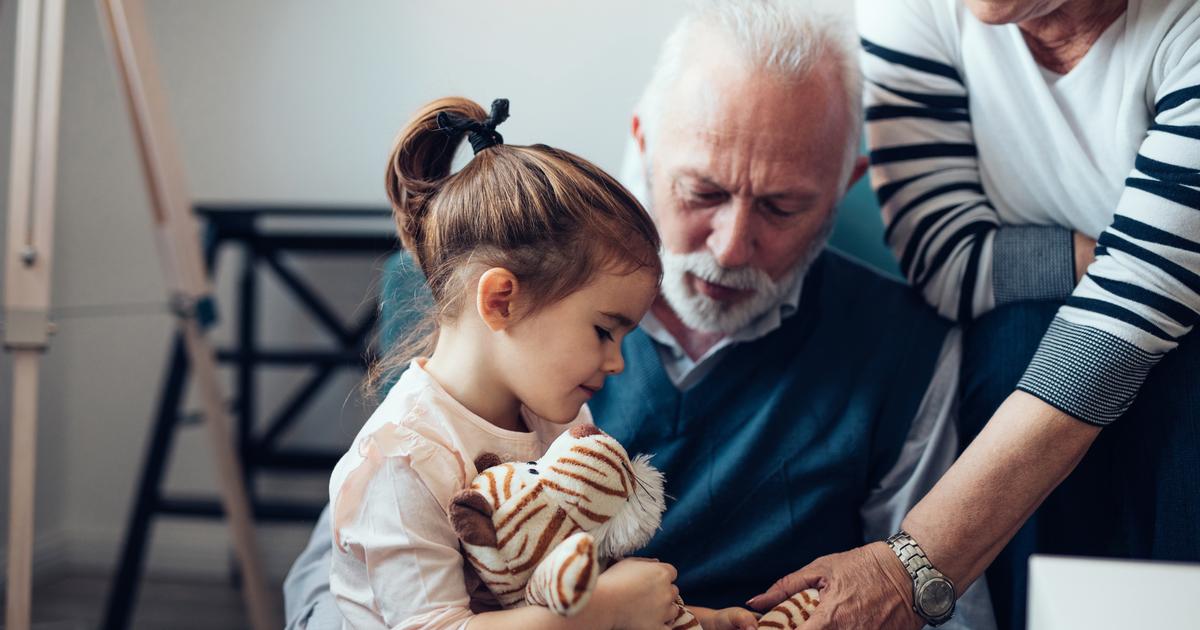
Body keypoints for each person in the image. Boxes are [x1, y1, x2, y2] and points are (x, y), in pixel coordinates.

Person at [286, 2, 997, 628]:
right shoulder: (495, 293)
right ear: (643, 144)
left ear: (844, 186)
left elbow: (937, 601)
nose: (732, 244)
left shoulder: (905, 348)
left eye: (782, 206)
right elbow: (343, 574)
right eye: (703, 192)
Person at [748, 0, 1200, 628]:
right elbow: (946, 257)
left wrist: (908, 570)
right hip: (1046, 344)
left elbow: (1128, 324)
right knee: (1017, 332)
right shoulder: (914, 11)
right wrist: (1113, 260)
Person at [329, 95, 756, 630]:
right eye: (605, 330)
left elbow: (567, 582)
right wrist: (603, 614)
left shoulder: (559, 423)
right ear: (502, 300)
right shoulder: (403, 460)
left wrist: (698, 620)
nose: (618, 363)